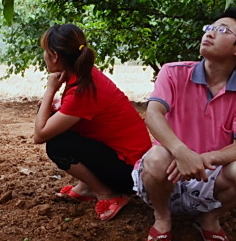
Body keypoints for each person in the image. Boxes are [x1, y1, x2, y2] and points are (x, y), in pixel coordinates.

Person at [134, 8, 236, 241]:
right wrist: (181, 152)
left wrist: (202, 159)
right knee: (158, 155)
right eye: (210, 28)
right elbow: (153, 114)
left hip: (206, 175)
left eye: (222, 30)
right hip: (166, 173)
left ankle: (209, 219)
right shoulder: (173, 72)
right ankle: (162, 219)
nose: (210, 33)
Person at [33, 24, 151, 221]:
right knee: (63, 129)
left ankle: (108, 194)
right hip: (131, 163)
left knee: (57, 145)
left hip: (131, 175)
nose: (44, 56)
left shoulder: (83, 89)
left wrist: (50, 90)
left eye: (45, 51)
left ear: (54, 56)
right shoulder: (85, 76)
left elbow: (40, 135)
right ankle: (86, 187)